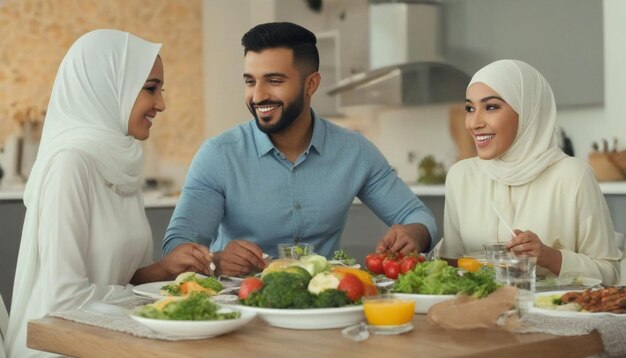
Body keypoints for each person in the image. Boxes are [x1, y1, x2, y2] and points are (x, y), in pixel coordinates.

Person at [163, 22, 437, 277]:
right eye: (250, 81)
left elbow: (418, 216)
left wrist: (414, 233)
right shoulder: (219, 155)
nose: (258, 96)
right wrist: (215, 260)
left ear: (311, 84)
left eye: (274, 80)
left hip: (322, 302)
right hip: (238, 305)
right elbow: (177, 247)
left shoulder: (355, 152)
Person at [6, 29, 213, 357]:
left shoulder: (122, 160)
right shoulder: (71, 164)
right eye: (150, 89)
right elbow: (64, 299)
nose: (161, 104)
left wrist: (164, 270)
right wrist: (143, 296)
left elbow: (119, 275)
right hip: (61, 344)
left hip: (106, 337)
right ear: (108, 86)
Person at [439, 59, 621, 284]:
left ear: (527, 110)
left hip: (556, 314)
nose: (474, 123)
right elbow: (452, 264)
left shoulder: (573, 176)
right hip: (478, 313)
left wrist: (550, 257)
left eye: (491, 107)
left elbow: (611, 274)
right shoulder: (461, 177)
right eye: (470, 109)